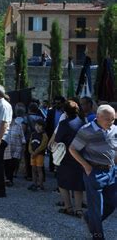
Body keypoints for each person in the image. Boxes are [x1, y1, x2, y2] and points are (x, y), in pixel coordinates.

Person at [69, 105, 117, 240]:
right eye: (108, 119)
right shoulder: (86, 130)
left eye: (113, 119)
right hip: (94, 172)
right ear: (98, 117)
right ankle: (97, 236)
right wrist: (86, 166)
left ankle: (89, 218)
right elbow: (72, 149)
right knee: (97, 209)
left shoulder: (114, 129)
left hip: (112, 171)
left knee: (112, 204)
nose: (111, 122)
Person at [51, 100, 86, 218]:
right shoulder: (83, 123)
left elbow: (58, 140)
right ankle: (79, 209)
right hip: (80, 156)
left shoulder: (64, 124)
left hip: (65, 157)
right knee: (78, 184)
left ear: (65, 111)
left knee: (63, 182)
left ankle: (68, 207)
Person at [3, 103, 27, 187]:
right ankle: (8, 179)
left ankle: (9, 179)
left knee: (13, 164)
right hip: (7, 148)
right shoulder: (5, 126)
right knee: (6, 164)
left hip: (16, 148)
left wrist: (23, 148)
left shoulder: (19, 126)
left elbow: (23, 138)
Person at [46, 96, 66, 172]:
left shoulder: (65, 113)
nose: (57, 105)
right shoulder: (51, 112)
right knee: (52, 151)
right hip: (52, 134)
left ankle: (58, 168)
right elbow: (47, 124)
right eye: (55, 103)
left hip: (62, 135)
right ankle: (52, 167)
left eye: (59, 103)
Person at [27, 119, 48, 191]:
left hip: (39, 154)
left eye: (40, 126)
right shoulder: (33, 134)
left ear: (43, 127)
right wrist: (31, 151)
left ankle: (40, 184)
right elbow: (30, 143)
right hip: (32, 154)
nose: (37, 127)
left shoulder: (44, 135)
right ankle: (34, 183)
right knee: (33, 168)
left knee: (39, 169)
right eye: (36, 125)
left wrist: (35, 152)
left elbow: (43, 145)